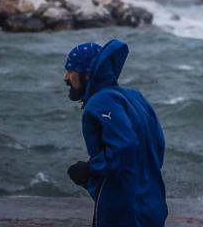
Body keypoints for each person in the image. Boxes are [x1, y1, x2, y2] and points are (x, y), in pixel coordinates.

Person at [63, 39, 167, 227]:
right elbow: (158, 144)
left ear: (86, 73)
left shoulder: (99, 102)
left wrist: (90, 169)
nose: (66, 77)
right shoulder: (135, 96)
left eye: (70, 70)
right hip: (153, 198)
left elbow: (125, 146)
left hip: (123, 204)